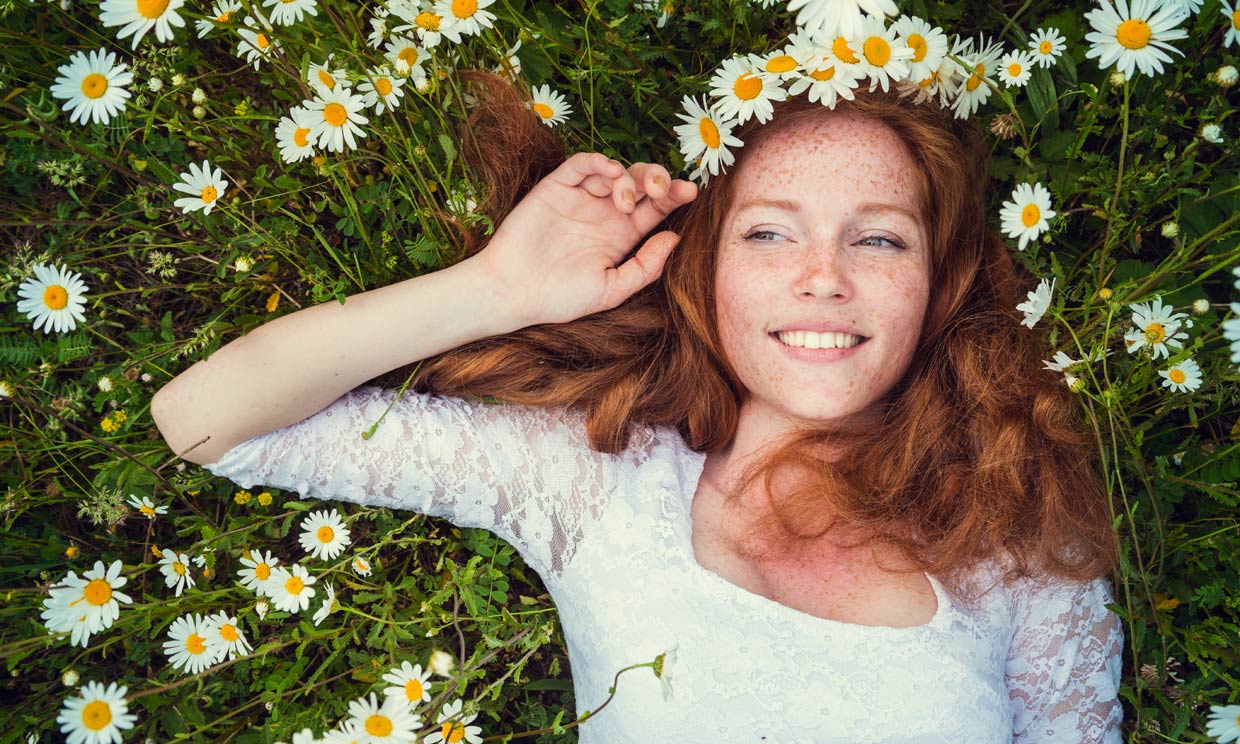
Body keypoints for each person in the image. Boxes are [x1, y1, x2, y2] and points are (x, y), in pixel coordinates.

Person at [151, 70, 1124, 742]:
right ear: (703, 273)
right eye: (769, 234)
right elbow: (204, 420)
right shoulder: (596, 482)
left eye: (877, 242)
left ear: (937, 288)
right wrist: (496, 289)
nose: (822, 279)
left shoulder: (1020, 547)